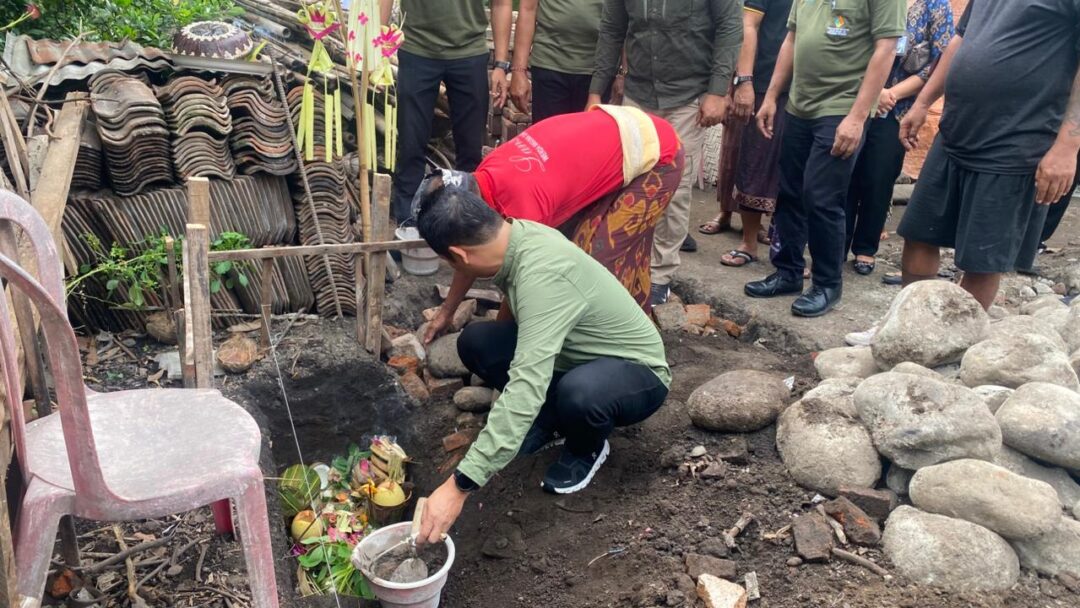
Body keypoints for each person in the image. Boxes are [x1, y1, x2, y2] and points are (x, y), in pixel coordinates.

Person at [412, 183, 671, 543]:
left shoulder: (542, 274)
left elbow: (524, 386)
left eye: (450, 261)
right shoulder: (514, 236)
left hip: (636, 372)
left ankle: (587, 447)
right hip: (577, 355)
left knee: (580, 395)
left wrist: (459, 486)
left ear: (459, 253)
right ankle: (552, 418)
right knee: (476, 343)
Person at [421, 107, 684, 344]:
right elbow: (469, 251)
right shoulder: (483, 176)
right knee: (600, 247)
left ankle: (628, 349)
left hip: (656, 151)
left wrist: (503, 343)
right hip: (619, 132)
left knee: (597, 260)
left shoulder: (524, 210)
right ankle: (639, 322)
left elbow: (525, 279)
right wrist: (448, 311)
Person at [894, 0, 1080, 310]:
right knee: (917, 233)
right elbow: (959, 40)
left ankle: (954, 344)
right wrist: (923, 102)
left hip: (1016, 141)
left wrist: (1067, 146)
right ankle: (906, 325)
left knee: (982, 258)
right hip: (956, 130)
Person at [744, 0, 905, 317]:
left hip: (841, 109)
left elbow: (885, 49)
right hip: (799, 105)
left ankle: (827, 285)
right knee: (789, 192)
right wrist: (773, 97)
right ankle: (788, 272)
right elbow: (792, 39)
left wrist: (858, 116)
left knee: (821, 196)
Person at [590, 0, 743, 306]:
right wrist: (596, 90)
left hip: (689, 94)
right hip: (639, 91)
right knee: (630, 182)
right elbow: (612, 30)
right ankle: (627, 262)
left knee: (673, 186)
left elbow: (730, 27)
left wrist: (716, 92)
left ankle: (660, 274)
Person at [844, 0, 953, 276]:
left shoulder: (935, 6)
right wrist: (874, 90)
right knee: (845, 173)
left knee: (879, 178)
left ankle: (866, 248)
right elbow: (851, 43)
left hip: (899, 110)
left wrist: (891, 94)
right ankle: (835, 244)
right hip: (853, 98)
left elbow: (939, 62)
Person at [385, 0, 512, 223]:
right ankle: (407, 224)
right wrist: (379, 43)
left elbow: (501, 3)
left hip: (469, 53)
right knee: (410, 145)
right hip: (417, 50)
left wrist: (501, 65)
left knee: (471, 151)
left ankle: (466, 223)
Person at [704, 0, 794, 269]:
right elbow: (748, 25)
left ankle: (788, 249)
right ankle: (749, 242)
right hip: (764, 80)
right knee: (753, 162)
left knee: (797, 173)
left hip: (810, 91)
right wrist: (745, 81)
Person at [507, 0, 621, 122]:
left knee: (591, 137)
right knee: (549, 137)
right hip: (550, 63)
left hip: (600, 72)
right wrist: (518, 71)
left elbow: (627, 20)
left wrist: (623, 73)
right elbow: (527, 9)